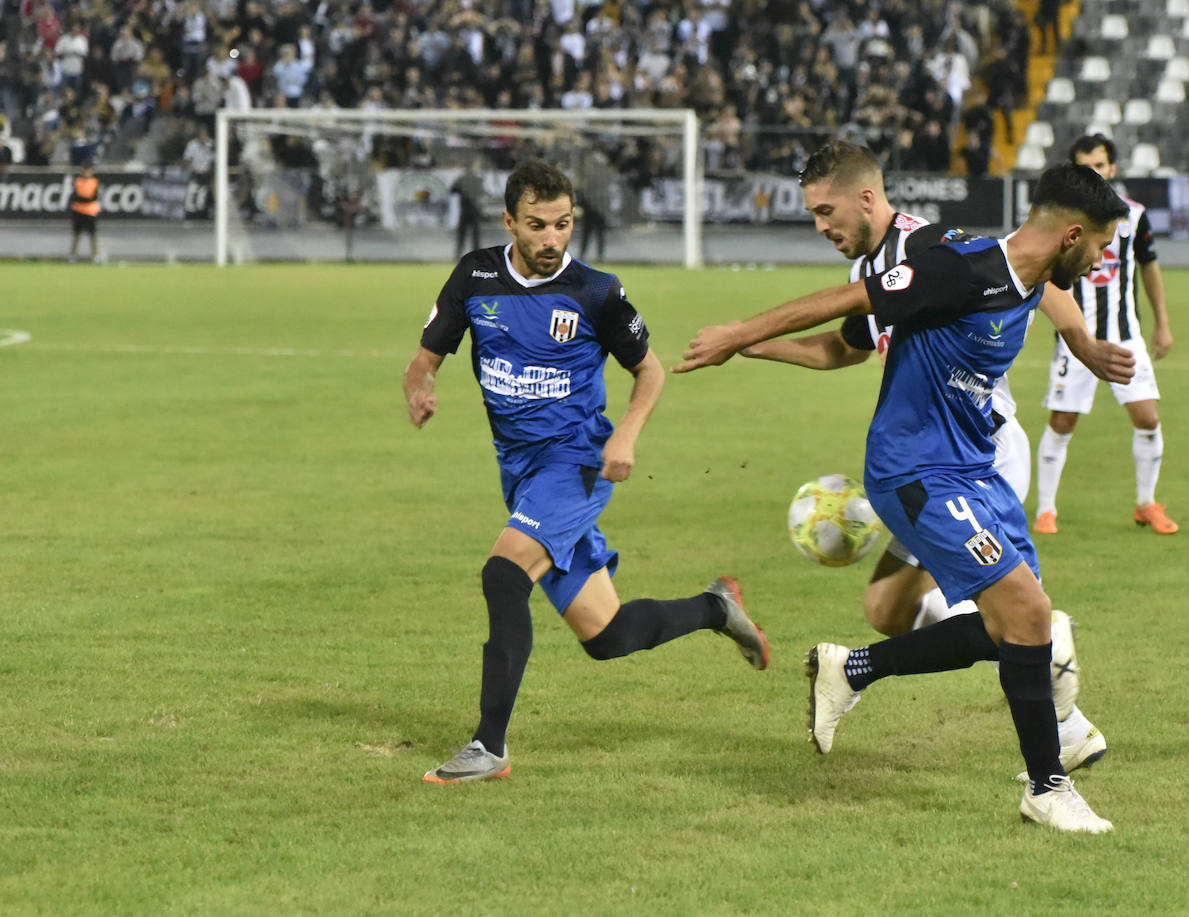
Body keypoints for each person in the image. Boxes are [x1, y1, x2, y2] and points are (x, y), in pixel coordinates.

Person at [676, 163, 1133, 833]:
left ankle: (852, 667)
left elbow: (1047, 295)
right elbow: (845, 302)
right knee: (1031, 614)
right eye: (1098, 245)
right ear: (1070, 235)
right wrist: (740, 335)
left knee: (1019, 629)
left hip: (976, 468)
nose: (1100, 260)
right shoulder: (958, 269)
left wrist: (1086, 346)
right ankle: (1048, 785)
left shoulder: (1029, 271)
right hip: (916, 471)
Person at [403, 159, 770, 785]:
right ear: (509, 222)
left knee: (503, 574)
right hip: (520, 471)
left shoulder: (596, 292)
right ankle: (715, 608)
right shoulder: (476, 275)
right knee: (606, 635)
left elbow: (649, 370)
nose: (552, 240)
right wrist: (422, 383)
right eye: (538, 226)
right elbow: (425, 356)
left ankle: (488, 748)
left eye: (564, 225)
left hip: (576, 463)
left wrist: (624, 433)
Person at [1032, 134, 1177, 536]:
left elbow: (1149, 266)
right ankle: (1046, 511)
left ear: (1112, 168)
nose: (1095, 172)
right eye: (1085, 167)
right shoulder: (1064, 221)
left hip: (1125, 335)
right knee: (1062, 421)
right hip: (1076, 338)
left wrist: (1162, 322)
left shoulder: (1134, 216)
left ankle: (1146, 503)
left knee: (1147, 417)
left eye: (1100, 165)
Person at [69, 164, 100, 261]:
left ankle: (95, 255)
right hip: (78, 211)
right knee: (77, 234)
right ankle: (73, 255)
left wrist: (82, 198)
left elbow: (92, 196)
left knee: (92, 234)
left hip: (90, 211)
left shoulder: (94, 182)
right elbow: (76, 196)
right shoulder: (78, 181)